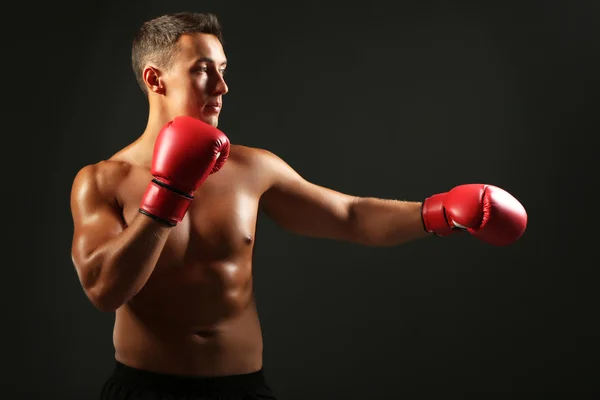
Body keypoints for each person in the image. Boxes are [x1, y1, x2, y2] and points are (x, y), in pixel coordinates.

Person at [69, 11, 528, 400]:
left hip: (242, 388)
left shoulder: (253, 168)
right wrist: (168, 195)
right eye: (204, 70)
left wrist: (439, 211)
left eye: (225, 69)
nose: (223, 87)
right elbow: (104, 290)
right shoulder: (102, 180)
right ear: (155, 79)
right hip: (144, 389)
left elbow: (350, 216)